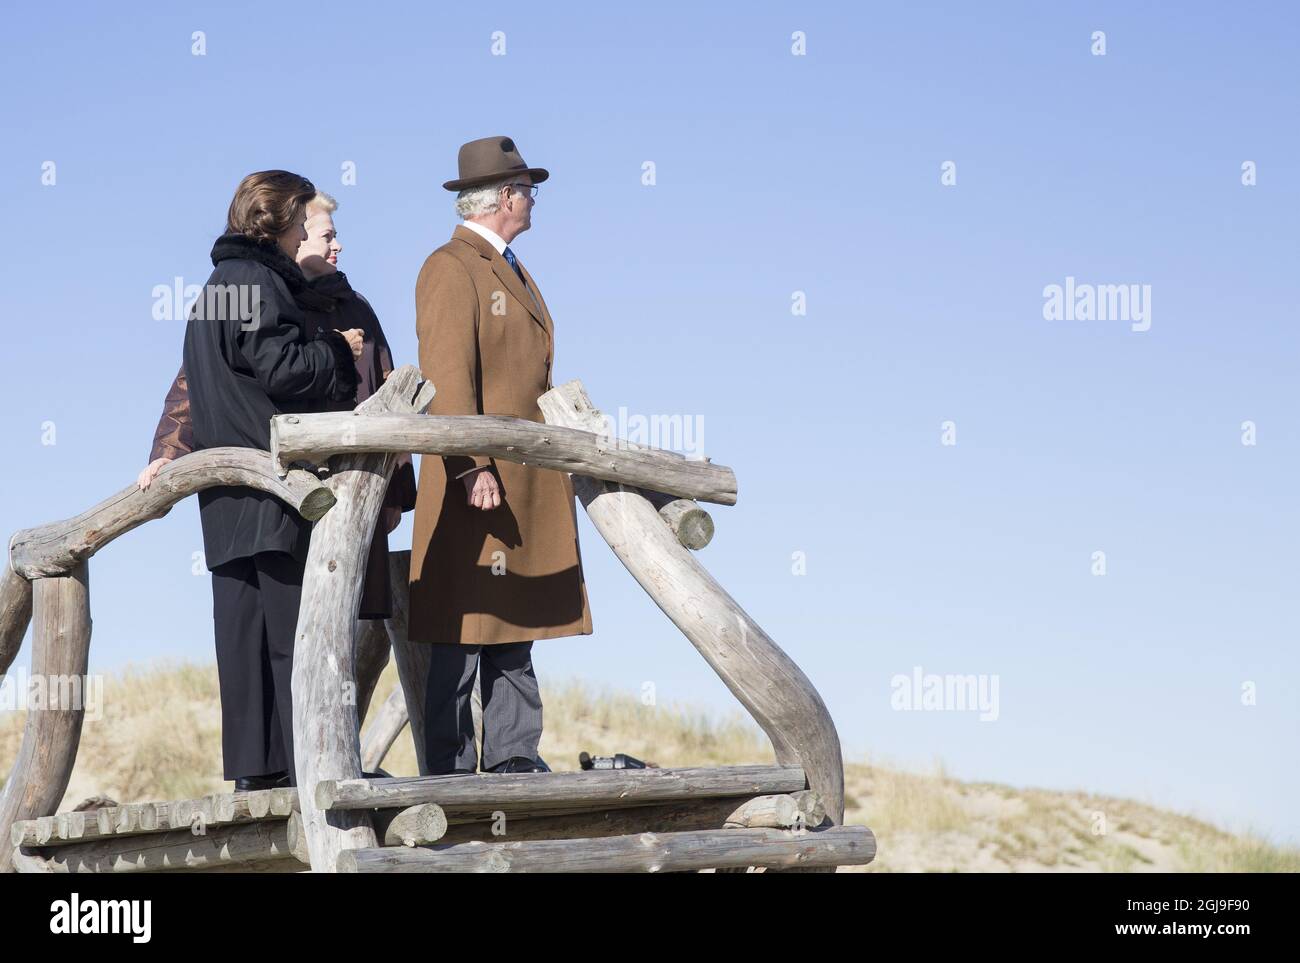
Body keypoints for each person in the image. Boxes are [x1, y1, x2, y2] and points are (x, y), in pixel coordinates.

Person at [154, 170, 364, 791]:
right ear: (276, 222)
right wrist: (337, 353)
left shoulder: (214, 289)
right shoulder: (261, 281)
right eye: (301, 218)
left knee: (242, 642)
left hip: (224, 499)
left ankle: (256, 776)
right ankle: (309, 774)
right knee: (295, 639)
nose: (306, 228)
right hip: (277, 486)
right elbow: (283, 370)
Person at [139, 191, 417, 623]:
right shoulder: (258, 295)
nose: (336, 245)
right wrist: (168, 453)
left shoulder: (356, 306)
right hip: (283, 493)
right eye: (325, 234)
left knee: (344, 629)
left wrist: (394, 491)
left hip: (355, 481)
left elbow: (386, 393)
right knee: (292, 628)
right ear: (295, 238)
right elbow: (197, 381)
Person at [409, 136, 593, 776]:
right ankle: (450, 770)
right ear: (506, 197)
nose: (533, 200)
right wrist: (470, 466)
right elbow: (446, 375)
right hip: (478, 477)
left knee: (513, 617)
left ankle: (516, 756)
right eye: (528, 190)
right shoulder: (450, 266)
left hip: (524, 476)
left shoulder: (510, 266)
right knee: (463, 624)